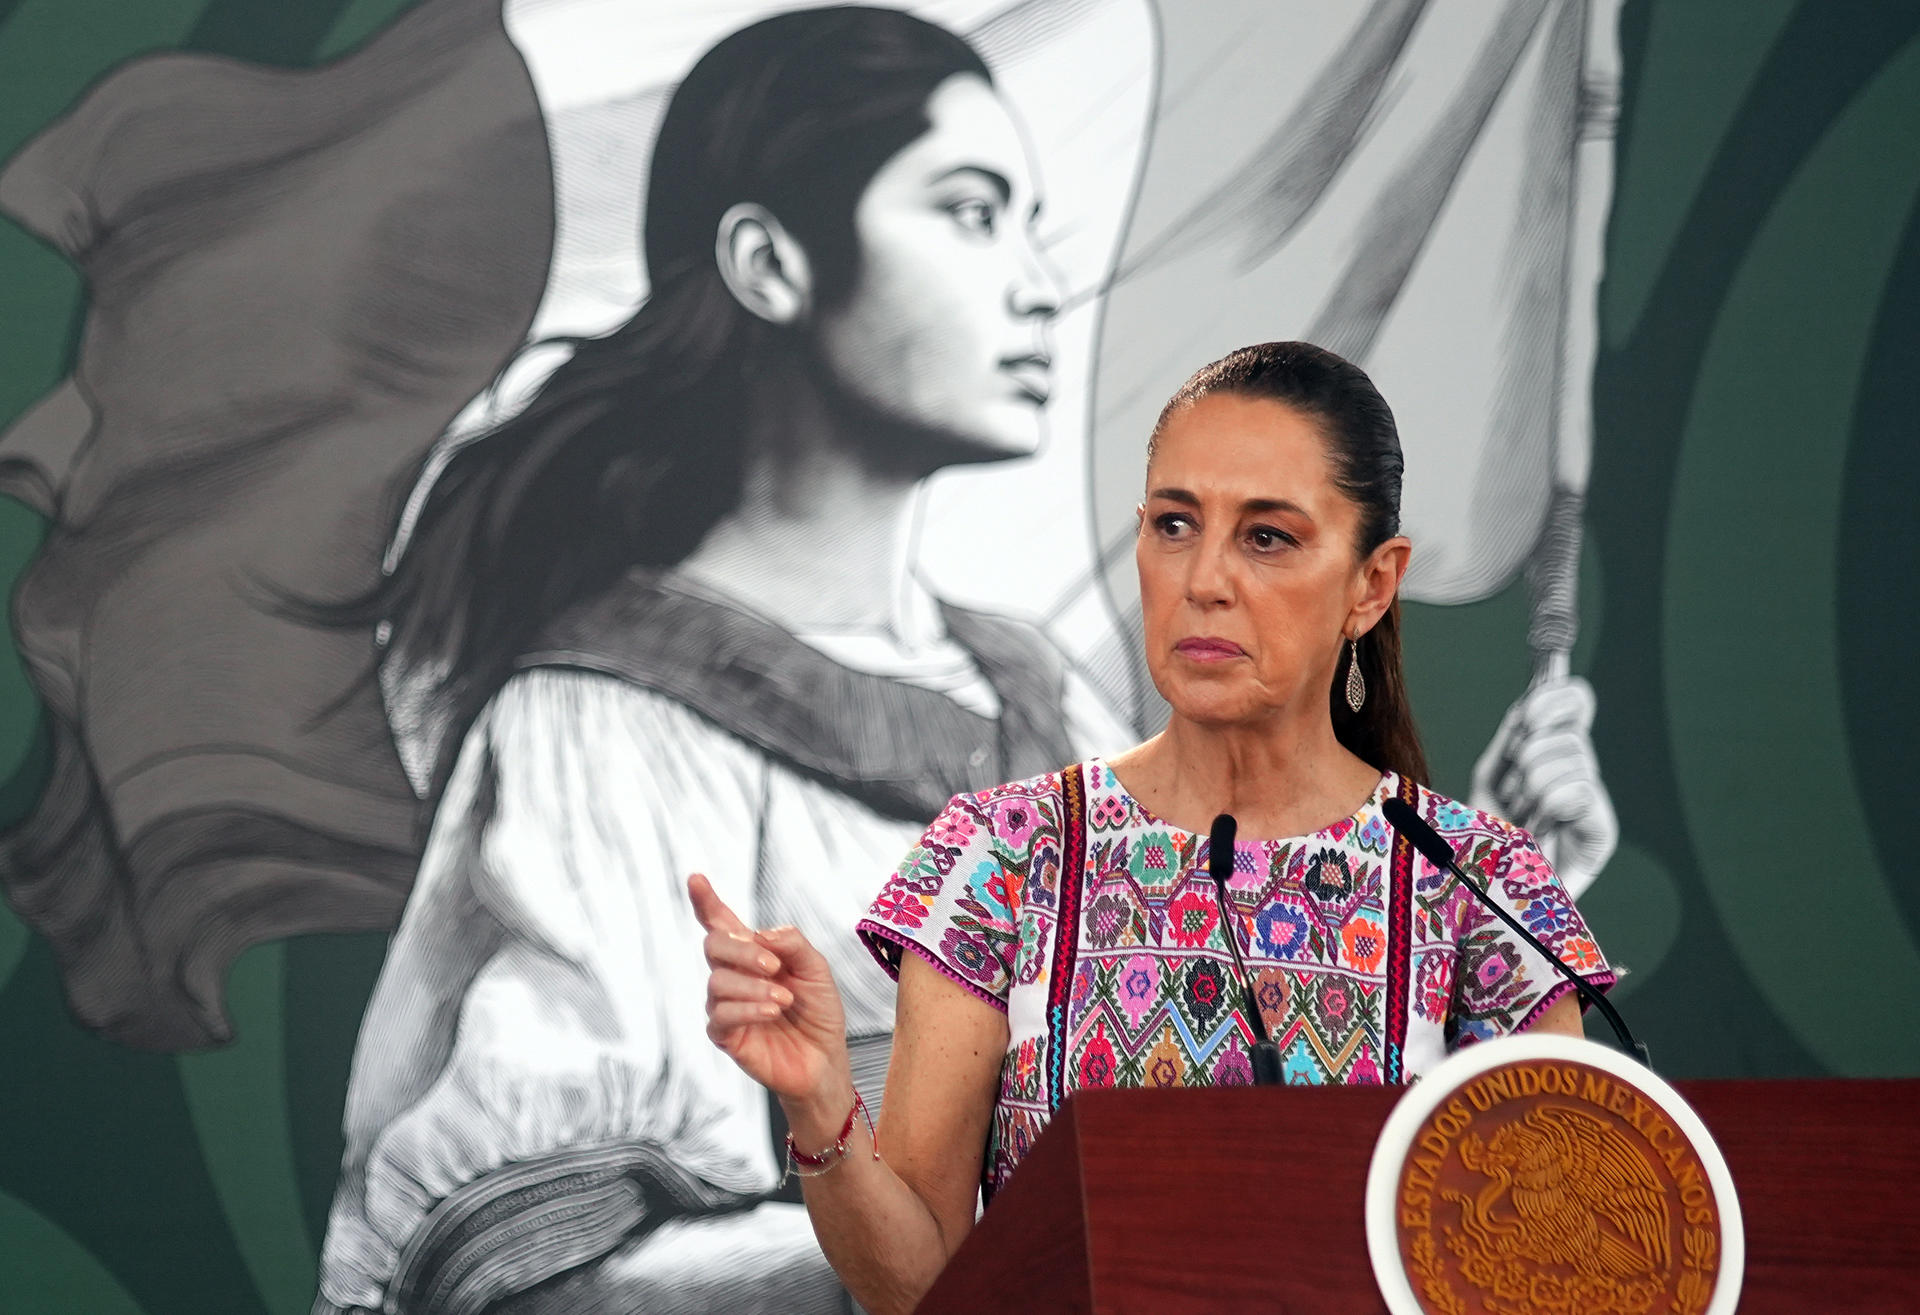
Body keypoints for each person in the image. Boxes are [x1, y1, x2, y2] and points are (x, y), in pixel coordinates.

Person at [314, 9, 1131, 1314]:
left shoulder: (1052, 702)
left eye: (1033, 223)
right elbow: (531, 1275)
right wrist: (964, 1240)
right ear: (770, 262)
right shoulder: (610, 722)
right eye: (973, 214)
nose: (1039, 282)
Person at [691, 341, 1616, 1315]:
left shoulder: (1479, 883)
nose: (1203, 578)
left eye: (1267, 537)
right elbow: (923, 1289)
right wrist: (821, 1102)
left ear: (1372, 585)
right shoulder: (1008, 853)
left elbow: (1563, 1268)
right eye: (1175, 524)